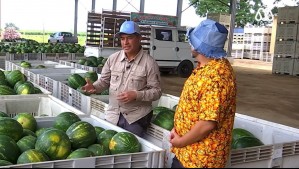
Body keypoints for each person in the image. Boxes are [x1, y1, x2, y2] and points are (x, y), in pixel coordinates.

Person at [169, 19, 237, 168]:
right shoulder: (205, 67)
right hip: (187, 153)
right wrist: (178, 129)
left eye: (192, 41)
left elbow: (207, 124)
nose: (190, 44)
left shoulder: (217, 77)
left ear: (200, 47)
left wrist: (181, 141)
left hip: (199, 160)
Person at [82, 20, 162, 138]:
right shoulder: (113, 59)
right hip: (113, 114)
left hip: (136, 117)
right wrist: (94, 87)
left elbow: (157, 92)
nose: (125, 42)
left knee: (129, 148)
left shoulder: (149, 63)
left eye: (130, 38)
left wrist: (136, 95)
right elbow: (104, 81)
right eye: (122, 38)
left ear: (139, 38)